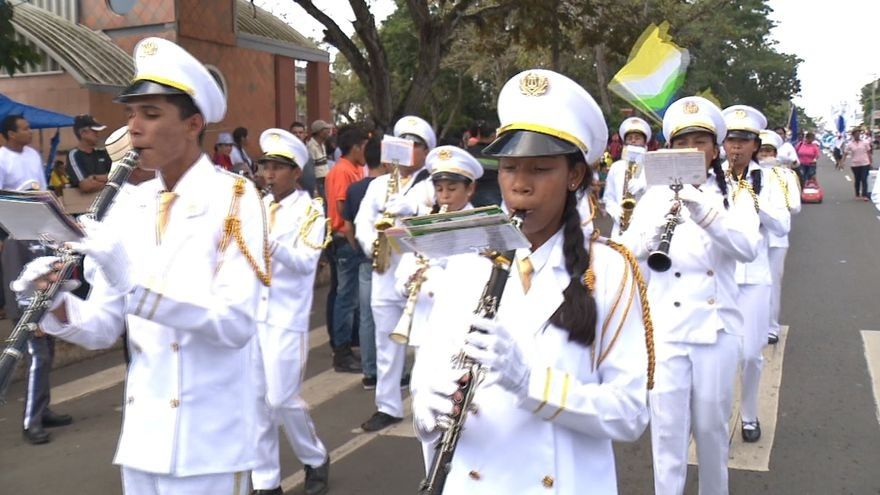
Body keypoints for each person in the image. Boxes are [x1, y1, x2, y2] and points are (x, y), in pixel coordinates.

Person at [12, 37, 266, 494]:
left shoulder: (235, 199)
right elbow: (105, 327)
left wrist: (131, 282)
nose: (134, 129)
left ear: (193, 124)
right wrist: (55, 305)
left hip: (209, 443)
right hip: (143, 440)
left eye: (150, 115)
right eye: (131, 114)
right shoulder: (131, 204)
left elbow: (235, 323)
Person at [410, 69, 651, 494]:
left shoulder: (610, 270)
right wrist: (426, 408)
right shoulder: (469, 259)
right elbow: (432, 366)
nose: (519, 185)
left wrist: (529, 384)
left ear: (574, 176)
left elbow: (629, 413)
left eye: (539, 169)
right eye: (508, 169)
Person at [623, 96, 761, 495]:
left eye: (701, 141)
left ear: (715, 149)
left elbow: (747, 247)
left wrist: (702, 209)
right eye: (684, 142)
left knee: (712, 431)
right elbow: (625, 251)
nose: (693, 150)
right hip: (666, 330)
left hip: (715, 331)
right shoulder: (653, 197)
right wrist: (646, 240)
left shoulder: (736, 195)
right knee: (667, 435)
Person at [250, 129, 330, 495]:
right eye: (266, 166)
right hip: (253, 315)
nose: (269, 174)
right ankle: (266, 480)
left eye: (278, 167)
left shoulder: (312, 211)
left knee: (282, 399)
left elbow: (305, 263)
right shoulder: (258, 207)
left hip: (286, 317)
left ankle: (314, 457)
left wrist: (269, 246)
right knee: (255, 402)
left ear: (295, 172)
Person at [355, 115, 435, 432]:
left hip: (420, 276)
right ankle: (387, 405)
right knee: (386, 343)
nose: (409, 151)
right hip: (385, 271)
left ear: (426, 151)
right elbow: (364, 222)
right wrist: (375, 243)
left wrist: (401, 228)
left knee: (426, 344)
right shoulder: (377, 186)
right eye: (403, 143)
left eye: (416, 145)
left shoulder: (432, 186)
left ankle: (427, 405)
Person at [0, 114, 72, 446]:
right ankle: (31, 420)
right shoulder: (2, 159)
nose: (30, 131)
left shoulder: (32, 157)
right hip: (18, 248)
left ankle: (43, 409)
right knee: (36, 352)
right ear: (8, 133)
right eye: (24, 128)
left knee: (48, 350)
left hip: (38, 240)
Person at [722, 105, 790, 444]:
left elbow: (783, 224)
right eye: (731, 140)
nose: (736, 147)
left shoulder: (769, 179)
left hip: (754, 277)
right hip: (718, 276)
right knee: (717, 354)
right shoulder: (709, 177)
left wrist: (755, 200)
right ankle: (715, 416)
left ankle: (748, 415)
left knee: (750, 353)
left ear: (754, 145)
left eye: (743, 141)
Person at [324, 127, 370, 373]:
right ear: (355, 147)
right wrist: (354, 235)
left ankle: (347, 341)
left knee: (345, 294)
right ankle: (341, 351)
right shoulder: (342, 171)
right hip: (344, 237)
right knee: (346, 296)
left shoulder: (351, 169)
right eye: (364, 146)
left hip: (345, 237)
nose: (366, 152)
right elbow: (343, 207)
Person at [342, 137, 386, 388]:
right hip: (389, 261)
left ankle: (370, 370)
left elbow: (348, 226)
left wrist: (357, 247)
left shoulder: (355, 188)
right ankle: (393, 371)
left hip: (364, 259)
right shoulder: (392, 187)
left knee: (367, 316)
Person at [757, 129, 801, 344]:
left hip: (776, 236)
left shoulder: (786, 176)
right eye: (762, 150)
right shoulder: (746, 173)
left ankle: (771, 327)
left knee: (773, 281)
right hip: (750, 235)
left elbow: (795, 206)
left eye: (769, 150)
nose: (765, 154)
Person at [603, 117, 651, 238]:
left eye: (637, 138)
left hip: (645, 229)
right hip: (620, 229)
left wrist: (646, 187)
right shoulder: (616, 167)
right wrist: (614, 212)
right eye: (629, 138)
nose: (633, 141)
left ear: (645, 142)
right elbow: (608, 197)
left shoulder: (652, 166)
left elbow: (661, 196)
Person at [67, 114, 111, 193]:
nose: (98, 134)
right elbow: (85, 185)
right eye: (94, 131)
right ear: (83, 133)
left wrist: (94, 177)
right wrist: (108, 183)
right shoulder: (75, 155)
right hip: (84, 203)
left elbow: (117, 177)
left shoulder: (102, 153)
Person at [465, 120, 502, 208]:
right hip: (495, 201)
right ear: (493, 136)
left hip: (469, 200)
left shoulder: (466, 155)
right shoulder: (499, 155)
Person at [844, 128, 873, 200]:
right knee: (857, 179)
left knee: (864, 179)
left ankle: (864, 195)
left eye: (859, 134)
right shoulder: (850, 144)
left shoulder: (865, 142)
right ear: (853, 135)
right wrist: (842, 162)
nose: (857, 135)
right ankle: (857, 194)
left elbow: (869, 153)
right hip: (855, 164)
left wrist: (870, 162)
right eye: (856, 134)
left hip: (865, 163)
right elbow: (845, 153)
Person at [308, 120, 333, 198]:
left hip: (325, 180)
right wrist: (315, 189)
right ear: (319, 132)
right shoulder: (311, 147)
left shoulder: (322, 145)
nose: (328, 132)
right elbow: (311, 169)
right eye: (326, 129)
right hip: (318, 182)